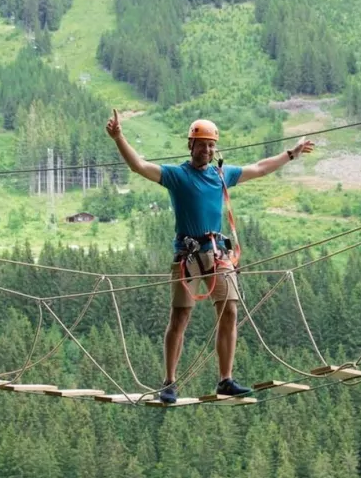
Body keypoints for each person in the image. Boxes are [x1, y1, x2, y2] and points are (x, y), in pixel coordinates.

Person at [106, 111, 314, 403]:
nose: (206, 150)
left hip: (216, 252)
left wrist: (290, 155)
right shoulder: (177, 176)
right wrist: (119, 138)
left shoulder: (221, 174)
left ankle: (225, 380)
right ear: (190, 145)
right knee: (180, 316)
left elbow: (260, 168)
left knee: (229, 310)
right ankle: (169, 382)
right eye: (201, 144)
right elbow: (139, 165)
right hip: (187, 255)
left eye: (210, 145)